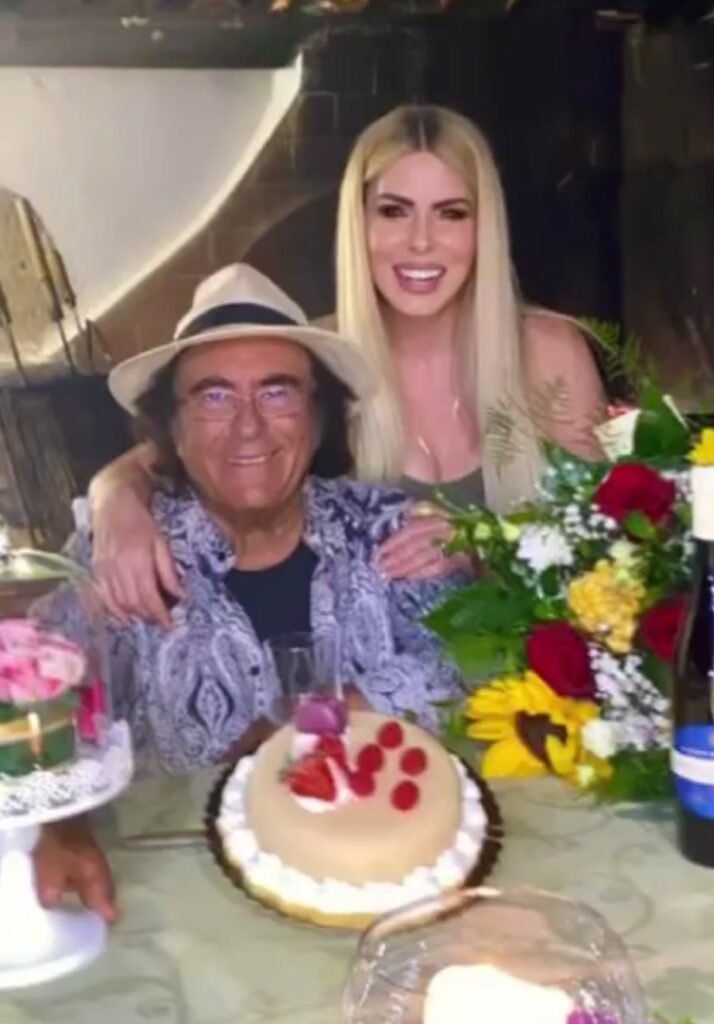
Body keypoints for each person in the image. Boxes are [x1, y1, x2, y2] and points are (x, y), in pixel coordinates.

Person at [36, 263, 467, 919]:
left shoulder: (388, 530)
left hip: (394, 895)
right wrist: (57, 829)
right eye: (214, 397)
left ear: (317, 418)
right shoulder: (117, 557)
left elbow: (469, 665)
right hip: (190, 909)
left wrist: (321, 716)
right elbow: (38, 710)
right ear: (172, 430)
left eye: (277, 393)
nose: (248, 427)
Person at [88, 104, 606, 624]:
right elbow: (174, 448)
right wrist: (115, 506)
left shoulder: (549, 352)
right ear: (358, 223)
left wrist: (483, 550)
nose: (421, 241)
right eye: (394, 212)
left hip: (535, 669)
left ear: (483, 228)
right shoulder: (318, 355)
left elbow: (609, 555)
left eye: (451, 213)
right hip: (364, 671)